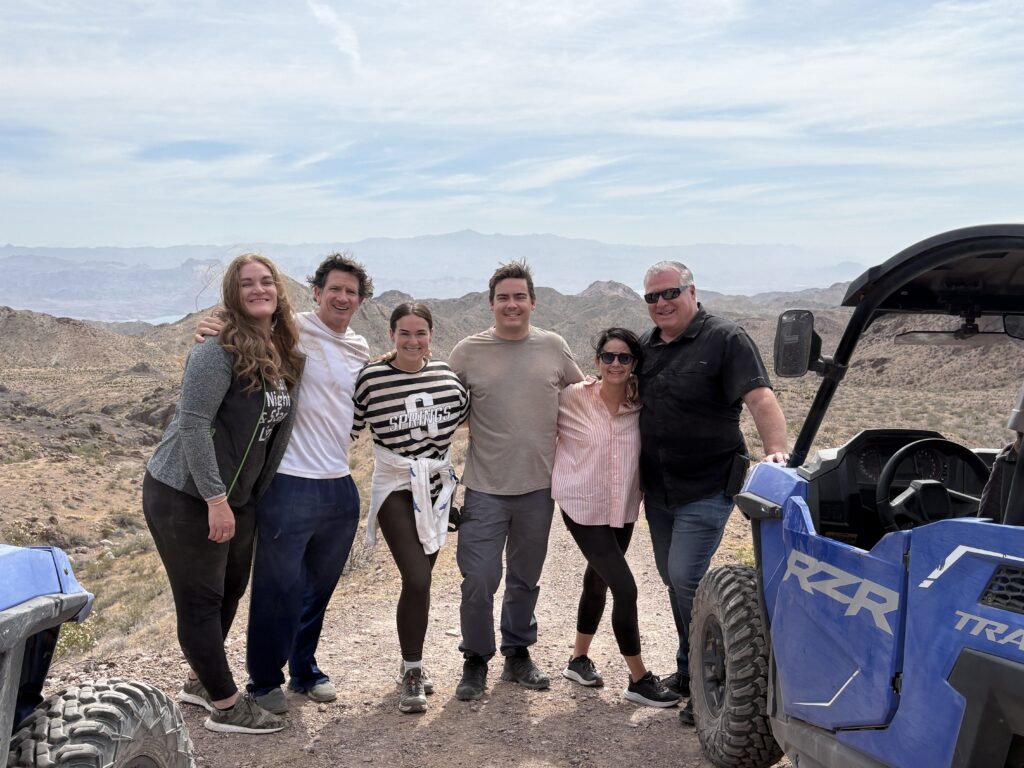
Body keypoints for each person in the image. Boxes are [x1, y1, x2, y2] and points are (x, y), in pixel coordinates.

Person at [194, 253, 372, 714]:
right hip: (289, 481)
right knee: (278, 588)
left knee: (319, 587)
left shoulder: (361, 347)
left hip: (339, 485)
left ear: (359, 300)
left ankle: (304, 668)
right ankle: (264, 680)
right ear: (316, 292)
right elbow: (242, 323)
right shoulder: (289, 328)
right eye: (334, 288)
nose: (342, 297)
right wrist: (211, 327)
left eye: (351, 291)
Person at [144, 253, 304, 734]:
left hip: (239, 496)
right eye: (247, 283)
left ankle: (201, 682)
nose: (259, 289)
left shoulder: (278, 347)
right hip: (185, 494)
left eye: (266, 281)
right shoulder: (216, 350)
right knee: (201, 600)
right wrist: (215, 500)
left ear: (278, 290)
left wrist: (242, 499)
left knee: (232, 589)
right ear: (232, 295)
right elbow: (192, 427)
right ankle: (227, 706)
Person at [637, 260, 788, 726]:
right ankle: (690, 669)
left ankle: (713, 679)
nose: (662, 303)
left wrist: (776, 452)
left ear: (692, 291)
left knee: (686, 578)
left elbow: (760, 397)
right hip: (659, 488)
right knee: (672, 577)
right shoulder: (646, 346)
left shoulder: (725, 338)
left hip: (707, 484)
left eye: (670, 293)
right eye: (652, 297)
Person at [448, 260, 584, 701]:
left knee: (525, 576)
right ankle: (475, 659)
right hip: (484, 487)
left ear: (532, 302)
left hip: (538, 488)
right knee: (479, 577)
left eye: (519, 296)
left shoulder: (553, 346)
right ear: (491, 304)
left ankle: (517, 653)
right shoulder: (468, 351)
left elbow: (584, 398)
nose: (512, 304)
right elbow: (439, 401)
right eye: (503, 297)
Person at [553, 328, 682, 708]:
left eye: (624, 358)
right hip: (581, 505)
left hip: (622, 506)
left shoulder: (640, 404)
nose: (615, 364)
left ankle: (577, 660)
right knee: (625, 588)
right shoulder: (573, 398)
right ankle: (639, 680)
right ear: (596, 361)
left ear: (634, 365)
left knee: (597, 580)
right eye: (608, 356)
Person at [351, 302, 469, 714]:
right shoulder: (371, 379)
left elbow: (470, 424)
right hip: (395, 485)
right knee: (417, 578)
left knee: (419, 582)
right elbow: (346, 427)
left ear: (431, 336)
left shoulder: (447, 378)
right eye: (405, 333)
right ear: (391, 335)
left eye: (420, 333)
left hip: (436, 487)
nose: (413, 341)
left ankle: (410, 662)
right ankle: (414, 673)